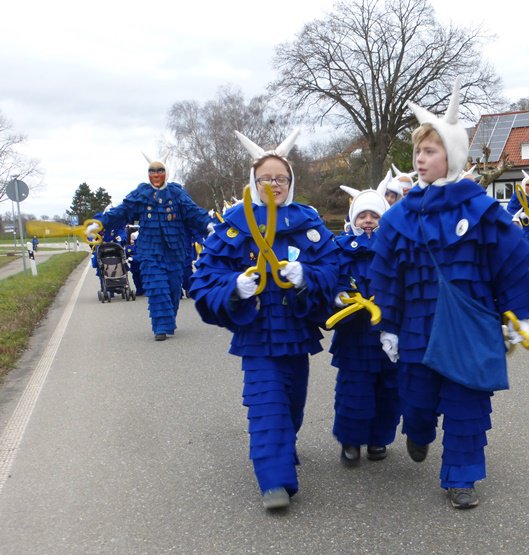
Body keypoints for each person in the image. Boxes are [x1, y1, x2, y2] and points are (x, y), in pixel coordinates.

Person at [369, 81, 529, 510]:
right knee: (418, 401)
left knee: (467, 405)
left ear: (453, 156)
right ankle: (419, 433)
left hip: (471, 325)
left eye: (429, 151)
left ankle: (461, 477)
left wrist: (517, 317)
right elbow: (387, 276)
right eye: (418, 153)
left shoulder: (482, 210)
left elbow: (511, 265)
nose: (420, 160)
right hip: (417, 329)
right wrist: (388, 326)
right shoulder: (398, 218)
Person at [188, 129, 339, 510]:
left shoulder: (308, 221)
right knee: (266, 402)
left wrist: (308, 277)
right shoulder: (235, 223)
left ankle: (282, 447)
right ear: (253, 183)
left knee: (292, 404)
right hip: (256, 332)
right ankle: (274, 482)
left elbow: (333, 268)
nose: (273, 184)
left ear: (291, 181)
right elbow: (205, 276)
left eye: (280, 178)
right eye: (265, 178)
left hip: (296, 331)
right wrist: (234, 286)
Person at [86, 154, 214, 341]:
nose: (155, 174)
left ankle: (168, 318)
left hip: (175, 250)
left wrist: (209, 225)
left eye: (159, 170)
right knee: (156, 287)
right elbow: (121, 211)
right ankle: (160, 328)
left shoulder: (177, 194)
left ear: (166, 173)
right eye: (152, 170)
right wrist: (99, 224)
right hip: (149, 250)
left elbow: (193, 213)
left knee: (172, 288)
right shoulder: (141, 194)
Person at [330, 187, 400, 466]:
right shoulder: (340, 247)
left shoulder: (395, 247)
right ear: (353, 219)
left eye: (374, 215)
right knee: (353, 389)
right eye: (362, 216)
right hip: (354, 333)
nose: (368, 220)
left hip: (388, 331)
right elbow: (332, 277)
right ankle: (351, 440)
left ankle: (378, 438)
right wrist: (338, 295)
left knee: (388, 390)